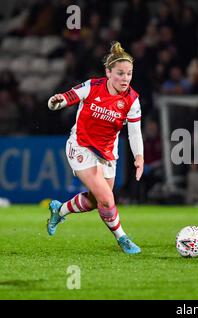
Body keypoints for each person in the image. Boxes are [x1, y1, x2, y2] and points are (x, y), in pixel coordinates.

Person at [46, 42, 144, 254]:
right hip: (81, 146)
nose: (125, 78)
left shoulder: (132, 100)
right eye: (120, 73)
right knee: (107, 199)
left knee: (94, 201)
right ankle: (123, 239)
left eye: (129, 74)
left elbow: (135, 131)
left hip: (107, 152)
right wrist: (58, 102)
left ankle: (59, 210)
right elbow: (69, 96)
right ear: (108, 72)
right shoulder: (93, 86)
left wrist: (139, 157)